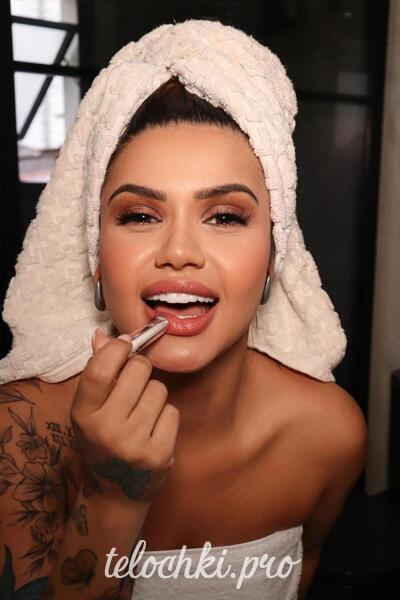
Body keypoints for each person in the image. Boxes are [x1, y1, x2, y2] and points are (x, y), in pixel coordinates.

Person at [0, 19, 367, 600]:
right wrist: (113, 498)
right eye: (140, 216)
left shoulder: (330, 434)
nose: (178, 252)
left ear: (274, 257)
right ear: (96, 259)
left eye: (224, 216)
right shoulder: (18, 434)